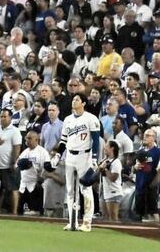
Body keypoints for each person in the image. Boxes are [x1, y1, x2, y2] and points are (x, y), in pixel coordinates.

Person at [52, 93, 101, 232]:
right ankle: (72, 222)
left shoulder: (91, 118)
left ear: (84, 103)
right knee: (70, 190)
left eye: (77, 99)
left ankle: (87, 222)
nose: (74, 101)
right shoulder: (67, 119)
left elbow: (96, 140)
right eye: (73, 99)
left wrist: (94, 158)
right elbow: (63, 140)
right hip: (70, 155)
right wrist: (58, 155)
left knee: (85, 188)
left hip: (84, 155)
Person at [0, 108, 22, 214]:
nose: (2, 119)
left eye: (5, 116)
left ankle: (14, 212)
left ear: (10, 118)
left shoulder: (15, 131)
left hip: (9, 165)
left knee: (13, 189)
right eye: (1, 116)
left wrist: (13, 162)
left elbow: (17, 147)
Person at [17, 131, 50, 215]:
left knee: (36, 211)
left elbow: (47, 168)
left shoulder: (43, 152)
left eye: (30, 138)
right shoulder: (24, 152)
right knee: (20, 211)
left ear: (36, 139)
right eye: (26, 138)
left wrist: (41, 177)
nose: (27, 140)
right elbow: (18, 165)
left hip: (36, 186)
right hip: (23, 185)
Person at [134, 129, 160, 222]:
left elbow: (159, 170)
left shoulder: (158, 152)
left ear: (154, 138)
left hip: (150, 185)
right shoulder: (140, 151)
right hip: (139, 184)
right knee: (140, 212)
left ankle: (158, 231)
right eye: (144, 135)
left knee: (153, 210)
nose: (144, 137)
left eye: (148, 135)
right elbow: (134, 168)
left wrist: (154, 184)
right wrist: (135, 167)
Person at [98, 140, 123, 221]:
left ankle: (118, 232)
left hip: (114, 192)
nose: (104, 148)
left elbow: (113, 178)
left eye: (106, 146)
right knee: (105, 216)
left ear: (112, 148)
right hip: (105, 192)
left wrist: (105, 169)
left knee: (113, 216)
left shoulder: (116, 162)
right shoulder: (105, 160)